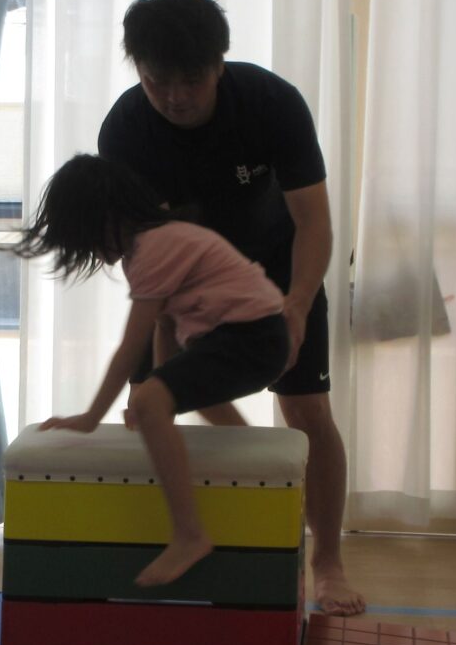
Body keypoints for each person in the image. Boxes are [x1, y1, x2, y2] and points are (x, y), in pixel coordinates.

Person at [99, 0, 365, 615]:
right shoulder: (127, 131)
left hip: (280, 268)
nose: (175, 97)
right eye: (157, 80)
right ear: (138, 69)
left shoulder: (271, 103)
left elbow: (314, 222)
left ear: (219, 64)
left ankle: (327, 562)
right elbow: (147, 255)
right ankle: (261, 481)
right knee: (160, 398)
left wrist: (297, 304)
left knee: (307, 408)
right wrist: (161, 351)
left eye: (191, 80)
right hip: (189, 280)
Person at [17, 154, 290, 588]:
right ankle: (253, 472)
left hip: (253, 337)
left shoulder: (154, 247)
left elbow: (131, 347)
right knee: (170, 398)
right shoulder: (149, 248)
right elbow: (165, 326)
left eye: (89, 238)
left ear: (110, 216)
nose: (92, 252)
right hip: (248, 337)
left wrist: (93, 417)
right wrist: (163, 396)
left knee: (151, 398)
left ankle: (190, 535)